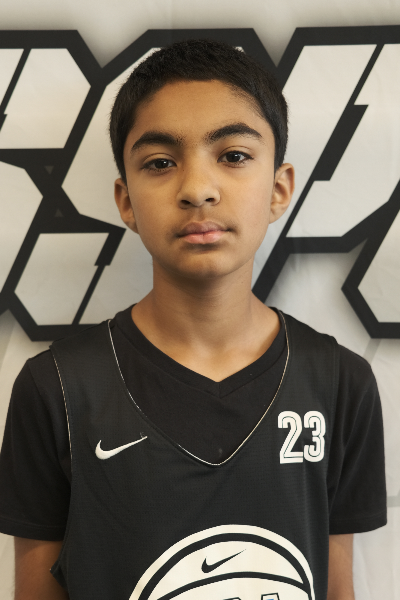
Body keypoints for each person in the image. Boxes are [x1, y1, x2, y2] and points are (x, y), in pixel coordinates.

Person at [0, 39, 386, 600]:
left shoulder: (340, 382)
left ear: (279, 188)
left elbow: (335, 584)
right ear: (126, 200)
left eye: (233, 156)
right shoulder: (56, 387)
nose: (198, 190)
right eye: (160, 163)